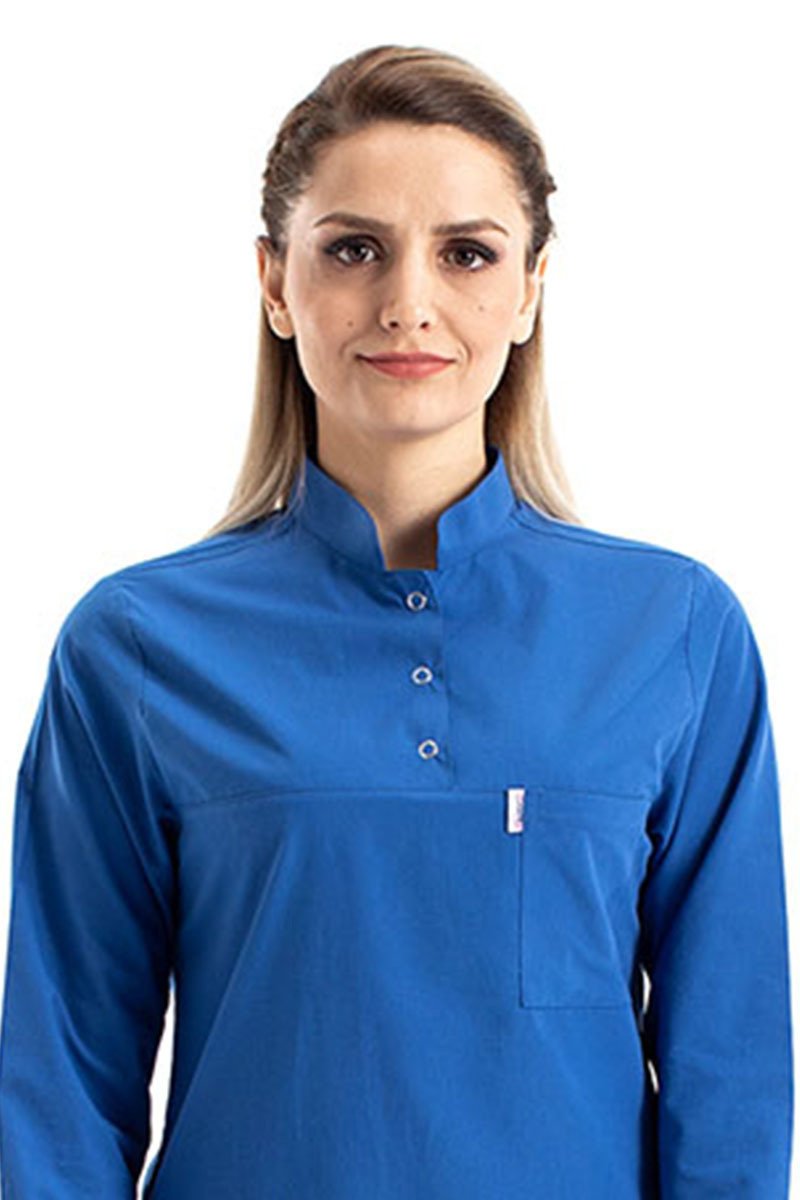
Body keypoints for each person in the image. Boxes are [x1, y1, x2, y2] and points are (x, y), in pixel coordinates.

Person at [0, 42, 793, 1200]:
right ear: (275, 283)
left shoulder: (673, 631)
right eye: (352, 249)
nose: (407, 304)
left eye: (466, 253)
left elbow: (731, 1082)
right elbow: (59, 1085)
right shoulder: (135, 647)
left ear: (528, 288)